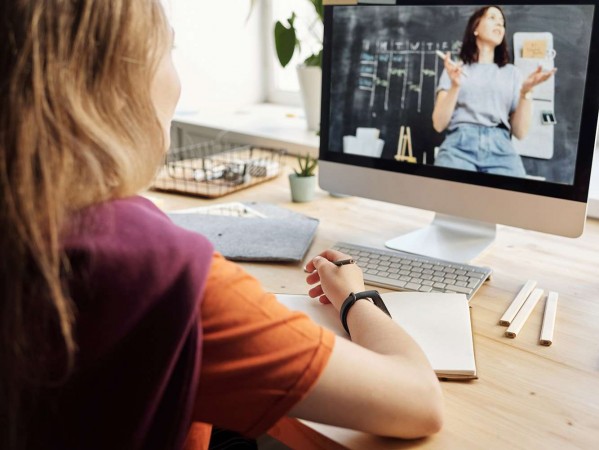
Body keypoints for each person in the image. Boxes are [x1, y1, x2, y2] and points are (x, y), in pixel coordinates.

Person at [0, 1, 443, 449]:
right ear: (115, 81)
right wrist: (354, 296)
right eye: (168, 50)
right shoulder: (159, 272)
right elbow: (420, 402)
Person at [432, 5, 557, 176]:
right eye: (492, 18)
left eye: (502, 22)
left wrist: (526, 92)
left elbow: (520, 132)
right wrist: (455, 85)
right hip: (458, 145)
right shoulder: (455, 69)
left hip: (501, 148)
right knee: (444, 197)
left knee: (516, 199)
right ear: (475, 27)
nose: (499, 24)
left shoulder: (512, 73)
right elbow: (439, 124)